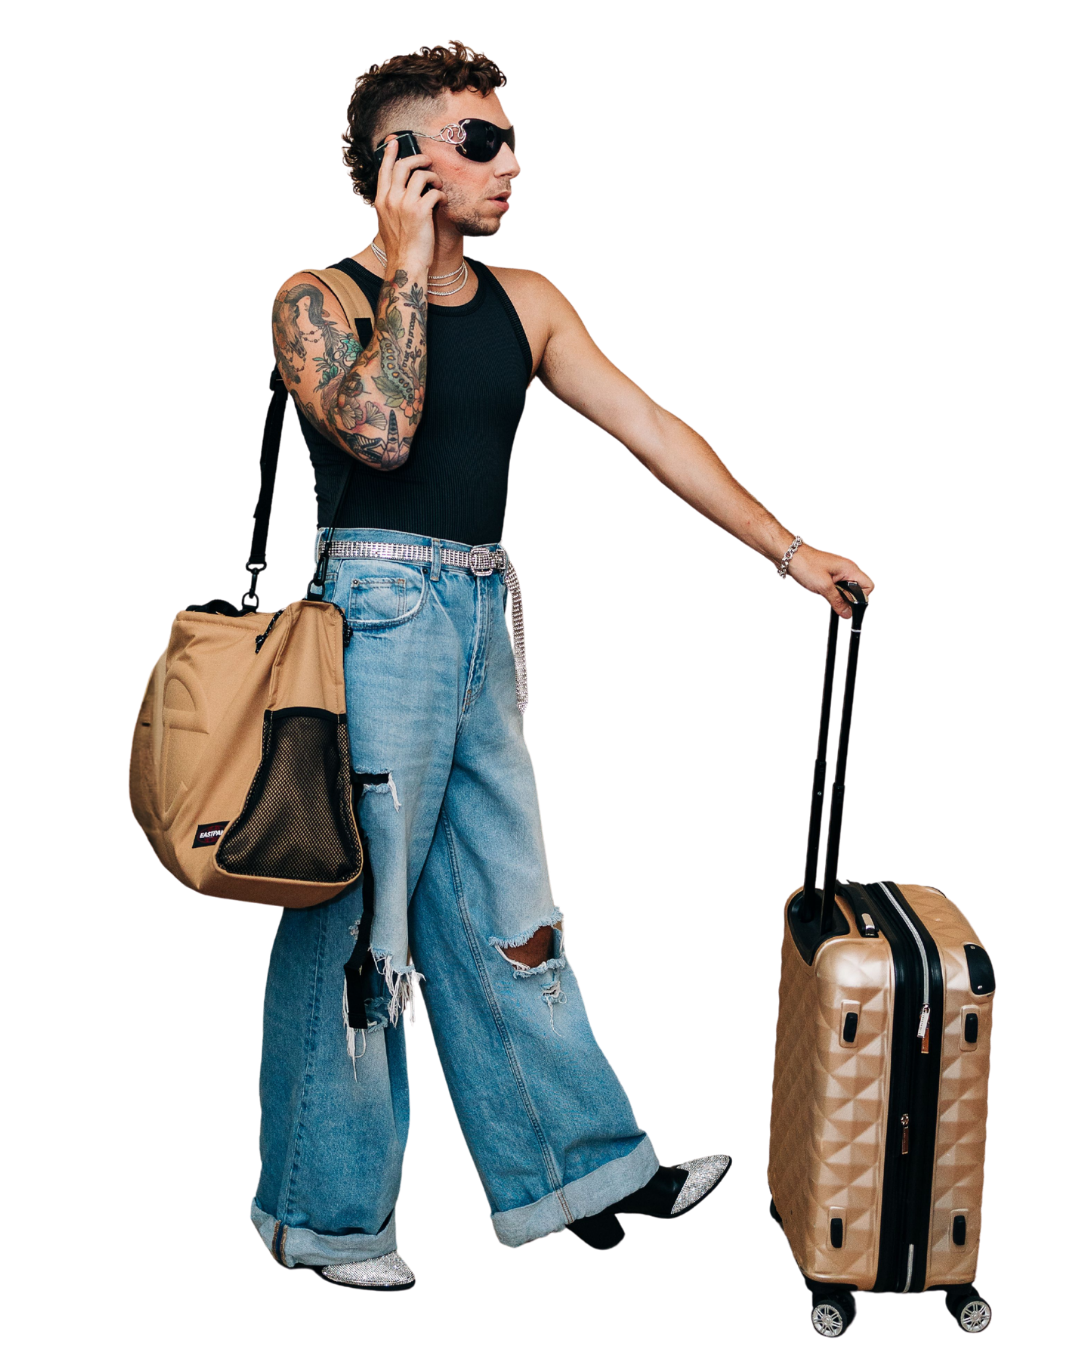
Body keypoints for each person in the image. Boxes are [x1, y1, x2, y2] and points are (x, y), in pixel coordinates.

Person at [256, 39, 875, 1292]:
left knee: (514, 910)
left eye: (509, 137)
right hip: (374, 616)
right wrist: (408, 265)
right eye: (480, 140)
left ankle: (578, 1178)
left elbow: (648, 425)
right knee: (357, 926)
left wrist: (788, 548)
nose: (513, 162)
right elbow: (380, 433)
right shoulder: (316, 296)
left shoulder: (530, 300)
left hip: (483, 612)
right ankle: (324, 1223)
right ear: (400, 159)